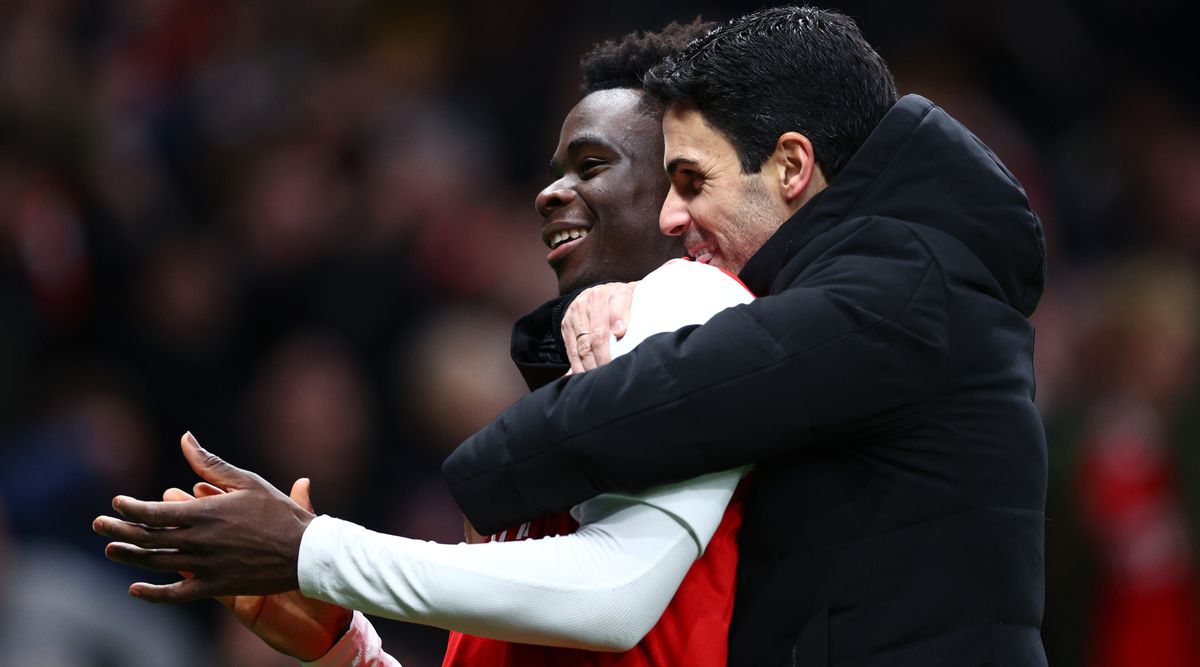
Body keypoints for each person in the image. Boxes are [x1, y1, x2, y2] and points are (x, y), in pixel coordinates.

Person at [95, 20, 760, 667]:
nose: (549, 193)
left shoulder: (698, 301)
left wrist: (312, 550)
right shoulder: (554, 404)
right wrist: (345, 647)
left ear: (683, 188)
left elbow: (613, 596)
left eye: (590, 164)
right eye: (555, 170)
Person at [443, 6, 1049, 666]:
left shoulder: (895, 292)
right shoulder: (868, 285)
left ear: (791, 166)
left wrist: (354, 542)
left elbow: (676, 402)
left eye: (691, 180)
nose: (677, 216)